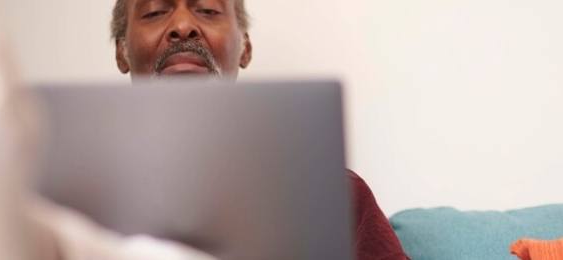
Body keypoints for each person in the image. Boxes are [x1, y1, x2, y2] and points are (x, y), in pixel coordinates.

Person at [109, 0, 409, 259]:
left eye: (209, 11)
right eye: (154, 12)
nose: (183, 25)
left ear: (245, 48)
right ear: (122, 51)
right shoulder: (70, 196)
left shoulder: (333, 193)